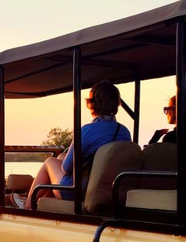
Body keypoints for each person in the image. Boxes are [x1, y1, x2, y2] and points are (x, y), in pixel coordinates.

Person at [14, 81, 131, 209]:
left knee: (50, 161)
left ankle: (27, 205)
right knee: (61, 156)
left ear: (92, 103)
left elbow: (66, 168)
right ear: (116, 103)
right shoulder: (124, 131)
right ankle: (42, 202)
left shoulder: (87, 131)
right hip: (107, 190)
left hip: (77, 191)